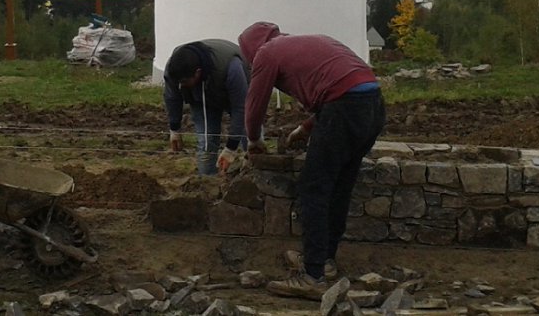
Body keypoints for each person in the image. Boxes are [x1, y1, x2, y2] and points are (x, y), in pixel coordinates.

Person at [237, 21, 385, 300]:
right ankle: (324, 260)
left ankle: (312, 276)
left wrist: (254, 140)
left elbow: (255, 104)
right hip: (373, 105)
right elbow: (346, 86)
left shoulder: (266, 53)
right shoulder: (307, 42)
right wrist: (305, 128)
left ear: (250, 50)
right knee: (339, 186)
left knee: (313, 189)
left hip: (344, 109)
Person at [163, 39, 250, 176]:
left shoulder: (232, 68)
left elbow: (241, 108)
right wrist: (174, 129)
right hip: (199, 98)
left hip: (234, 92)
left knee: (250, 135)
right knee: (206, 141)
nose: (181, 85)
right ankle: (207, 180)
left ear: (197, 72)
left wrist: (230, 148)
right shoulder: (174, 68)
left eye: (184, 81)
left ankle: (253, 174)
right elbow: (172, 96)